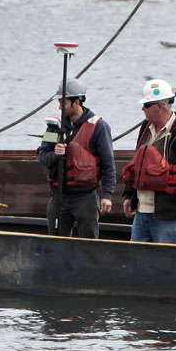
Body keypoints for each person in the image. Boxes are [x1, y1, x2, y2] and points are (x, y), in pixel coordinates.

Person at [120, 79, 176, 244]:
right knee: (136, 261)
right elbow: (138, 164)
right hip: (142, 211)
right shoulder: (145, 128)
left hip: (170, 214)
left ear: (158, 106)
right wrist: (128, 195)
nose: (142, 109)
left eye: (146, 105)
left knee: (168, 264)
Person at [37, 78, 116, 238]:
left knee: (88, 245)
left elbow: (108, 165)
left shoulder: (99, 127)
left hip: (85, 198)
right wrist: (55, 155)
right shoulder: (55, 127)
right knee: (56, 243)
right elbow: (44, 157)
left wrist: (107, 196)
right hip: (59, 197)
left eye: (63, 103)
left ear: (77, 102)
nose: (59, 107)